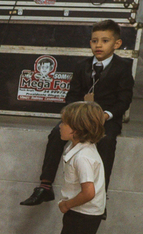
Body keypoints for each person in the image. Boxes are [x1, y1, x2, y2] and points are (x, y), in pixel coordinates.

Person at [20, 20, 133, 206]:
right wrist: (75, 116)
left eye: (105, 41)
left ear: (117, 44)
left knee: (106, 141)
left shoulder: (123, 67)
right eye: (94, 41)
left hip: (105, 119)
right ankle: (45, 186)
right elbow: (72, 95)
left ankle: (100, 196)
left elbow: (124, 100)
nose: (98, 45)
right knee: (56, 133)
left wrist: (105, 115)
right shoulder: (82, 65)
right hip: (79, 117)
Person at [37, 102, 106, 234]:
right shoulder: (76, 147)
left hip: (83, 214)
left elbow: (88, 192)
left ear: (77, 129)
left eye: (64, 123)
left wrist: (67, 204)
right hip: (80, 213)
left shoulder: (83, 157)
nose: (60, 126)